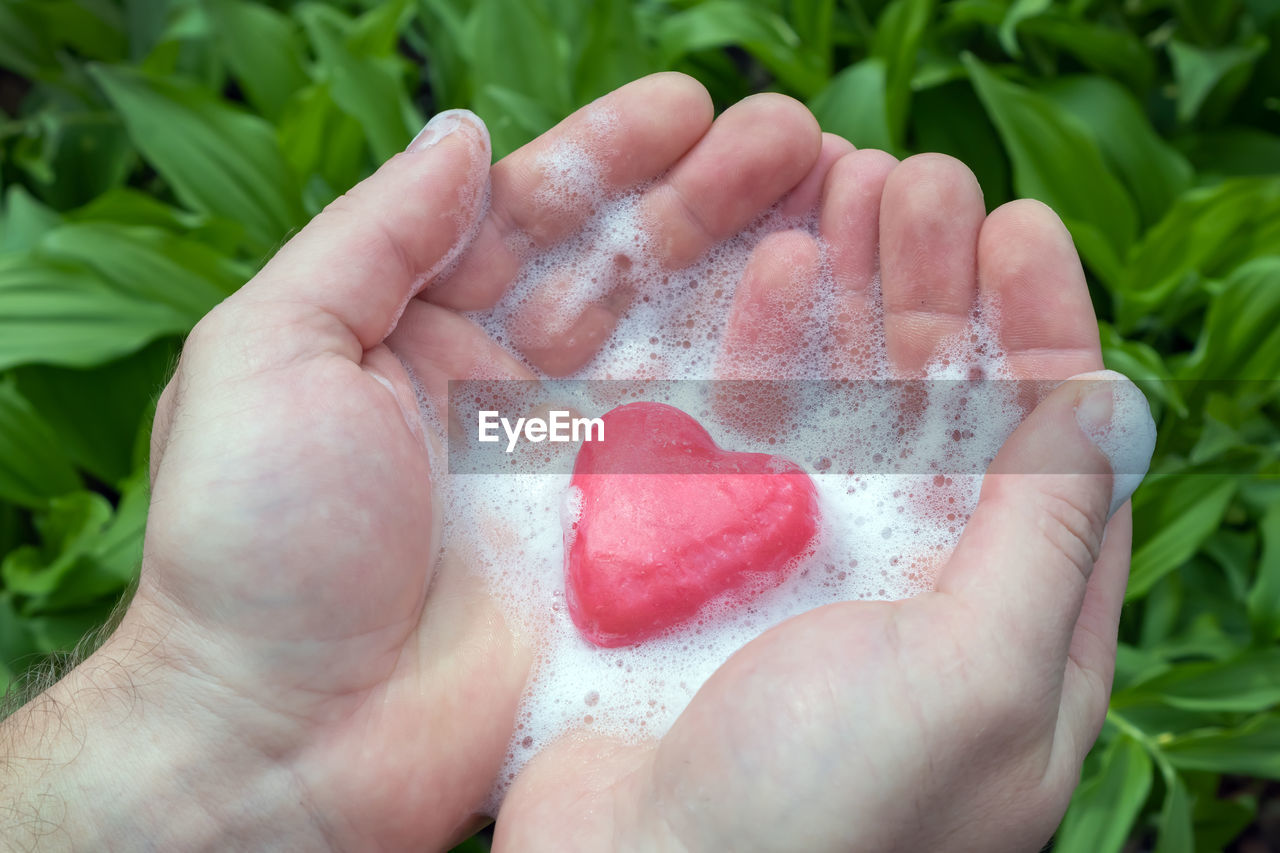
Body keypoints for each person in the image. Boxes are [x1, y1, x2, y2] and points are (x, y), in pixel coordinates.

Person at [0, 73, 1151, 851]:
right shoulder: (545, 434)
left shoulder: (533, 430)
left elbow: (523, 429)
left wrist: (205, 721)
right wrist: (215, 696)